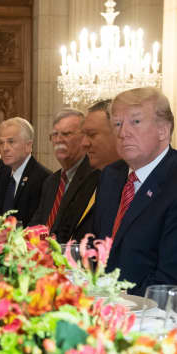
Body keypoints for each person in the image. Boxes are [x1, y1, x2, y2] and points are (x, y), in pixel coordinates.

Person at [93, 87, 177, 296]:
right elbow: (97, 247)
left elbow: (167, 281)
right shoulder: (111, 175)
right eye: (118, 124)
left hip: (151, 316)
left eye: (136, 122)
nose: (123, 133)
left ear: (163, 130)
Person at [29, 109, 99, 242]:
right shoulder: (51, 181)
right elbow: (37, 225)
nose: (58, 140)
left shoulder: (95, 176)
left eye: (66, 134)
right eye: (54, 135)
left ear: (84, 138)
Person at [65, 99, 121, 241]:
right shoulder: (88, 179)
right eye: (83, 135)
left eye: (92, 135)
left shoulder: (132, 185)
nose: (84, 143)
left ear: (118, 133)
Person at [0, 117, 51, 226]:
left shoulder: (44, 179)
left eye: (11, 142)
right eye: (1, 143)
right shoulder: (2, 175)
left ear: (28, 146)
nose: (5, 148)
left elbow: (40, 226)